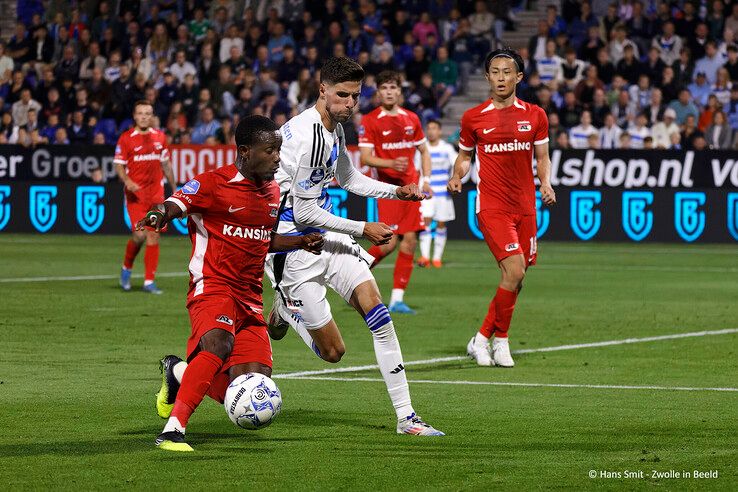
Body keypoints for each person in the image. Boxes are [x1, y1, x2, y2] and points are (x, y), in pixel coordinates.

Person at [265, 57, 443, 436]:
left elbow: (347, 177)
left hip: (327, 237)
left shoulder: (335, 130)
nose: (349, 103)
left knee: (378, 315)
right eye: (342, 95)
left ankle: (406, 417)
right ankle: (284, 309)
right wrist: (364, 227)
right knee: (333, 353)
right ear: (322, 90)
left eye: (355, 96)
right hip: (291, 248)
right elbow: (304, 209)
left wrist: (396, 190)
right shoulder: (309, 134)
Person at [144, 115, 325, 452]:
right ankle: (173, 430)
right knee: (218, 344)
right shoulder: (214, 184)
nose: (277, 157)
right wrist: (159, 214)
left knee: (250, 387)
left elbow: (261, 240)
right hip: (212, 285)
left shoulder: (272, 192)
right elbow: (175, 203)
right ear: (244, 151)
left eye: (279, 150)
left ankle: (179, 373)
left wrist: (299, 242)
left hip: (249, 297)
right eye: (269, 150)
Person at [449, 48, 556, 367]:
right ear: (487, 77)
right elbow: (465, 157)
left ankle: (480, 338)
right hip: (492, 206)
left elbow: (542, 157)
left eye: (507, 72)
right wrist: (457, 176)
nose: (500, 77)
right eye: (494, 72)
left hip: (525, 206)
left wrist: (546, 183)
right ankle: (499, 342)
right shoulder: (473, 118)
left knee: (517, 278)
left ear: (518, 77)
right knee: (514, 269)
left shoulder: (535, 115)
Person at [358, 70, 432, 314]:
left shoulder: (411, 118)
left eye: (393, 88)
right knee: (388, 244)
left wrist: (427, 180)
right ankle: (354, 274)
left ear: (400, 92)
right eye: (384, 88)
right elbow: (366, 158)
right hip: (389, 190)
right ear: (379, 93)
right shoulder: (370, 121)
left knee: (410, 241)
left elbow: (424, 151)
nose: (389, 92)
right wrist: (390, 164)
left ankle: (397, 299)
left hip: (411, 188)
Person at [114, 100, 177, 294]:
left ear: (152, 116)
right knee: (139, 235)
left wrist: (175, 191)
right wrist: (127, 180)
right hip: (136, 196)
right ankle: (127, 267)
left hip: (156, 195)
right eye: (140, 113)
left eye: (147, 113)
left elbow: (166, 165)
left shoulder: (160, 137)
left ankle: (149, 281)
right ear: (134, 116)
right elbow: (118, 164)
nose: (144, 116)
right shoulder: (126, 139)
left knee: (153, 235)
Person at [416, 120, 458, 268]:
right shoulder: (422, 148)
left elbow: (457, 164)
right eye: (429, 128)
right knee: (425, 222)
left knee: (441, 224)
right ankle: (425, 257)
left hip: (443, 194)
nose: (431, 131)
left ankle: (437, 258)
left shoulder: (446, 148)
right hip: (426, 192)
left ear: (440, 131)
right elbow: (417, 169)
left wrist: (455, 179)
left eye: (434, 128)